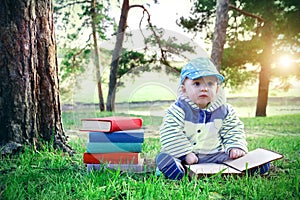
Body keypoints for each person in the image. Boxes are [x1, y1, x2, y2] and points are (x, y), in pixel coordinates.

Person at [155, 57, 269, 180]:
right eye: (197, 83)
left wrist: (235, 146)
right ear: (184, 90)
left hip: (212, 154)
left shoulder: (224, 110)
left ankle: (250, 166)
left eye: (210, 83)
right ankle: (174, 169)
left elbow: (233, 129)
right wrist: (185, 153)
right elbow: (170, 132)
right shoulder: (178, 109)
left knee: (232, 159)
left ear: (217, 88)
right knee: (171, 156)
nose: (204, 88)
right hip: (182, 154)